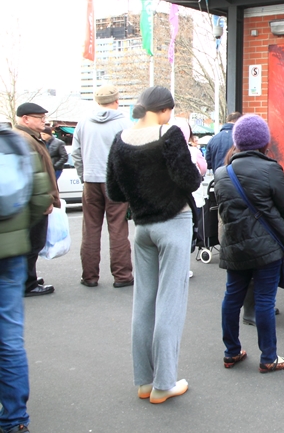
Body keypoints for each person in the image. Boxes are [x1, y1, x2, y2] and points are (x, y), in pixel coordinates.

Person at [106, 86, 202, 403]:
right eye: (169, 111)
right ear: (163, 110)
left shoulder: (120, 141)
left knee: (143, 303)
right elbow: (190, 180)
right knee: (170, 303)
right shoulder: (169, 133)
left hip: (143, 227)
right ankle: (164, 383)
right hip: (174, 223)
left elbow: (116, 193)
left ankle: (144, 381)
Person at [214, 114, 284, 373]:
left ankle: (231, 352)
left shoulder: (222, 172)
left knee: (232, 297)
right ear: (264, 141)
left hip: (234, 244)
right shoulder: (270, 168)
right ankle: (269, 357)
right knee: (264, 299)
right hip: (266, 246)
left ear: (237, 141)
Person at [0, 126, 52, 433]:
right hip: (11, 256)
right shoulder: (14, 144)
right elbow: (38, 198)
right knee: (9, 339)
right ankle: (15, 418)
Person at [72, 84, 134, 288]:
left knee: (90, 228)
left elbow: (77, 154)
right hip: (115, 182)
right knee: (118, 229)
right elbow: (130, 155)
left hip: (91, 180)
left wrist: (84, 176)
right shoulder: (124, 123)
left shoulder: (83, 123)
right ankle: (122, 275)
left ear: (97, 102)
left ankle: (89, 276)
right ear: (116, 100)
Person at [14, 103, 60, 297]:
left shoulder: (30, 137)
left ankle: (27, 279)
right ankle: (28, 284)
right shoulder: (25, 139)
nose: (44, 121)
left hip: (32, 201)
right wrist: (45, 200)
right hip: (34, 203)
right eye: (39, 118)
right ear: (25, 119)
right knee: (33, 243)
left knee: (31, 244)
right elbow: (33, 175)